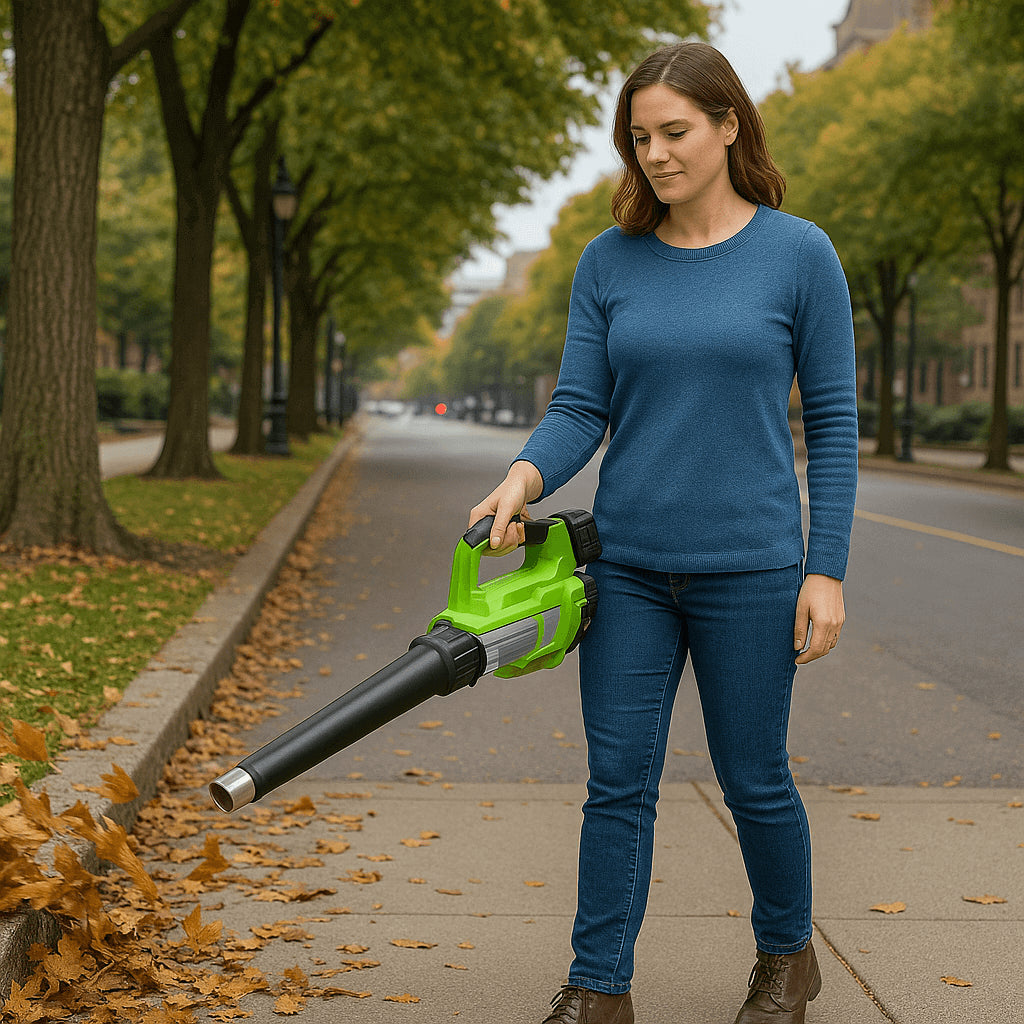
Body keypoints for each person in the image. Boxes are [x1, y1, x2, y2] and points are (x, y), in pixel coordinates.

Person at [468, 41, 858, 1024]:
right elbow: (578, 408)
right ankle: (597, 985)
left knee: (755, 780)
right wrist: (521, 474)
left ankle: (785, 959)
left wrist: (827, 570)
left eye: (674, 131)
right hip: (630, 569)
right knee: (617, 784)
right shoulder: (610, 261)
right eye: (639, 137)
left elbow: (837, 423)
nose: (655, 154)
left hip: (752, 569)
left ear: (729, 125)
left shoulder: (799, 253)